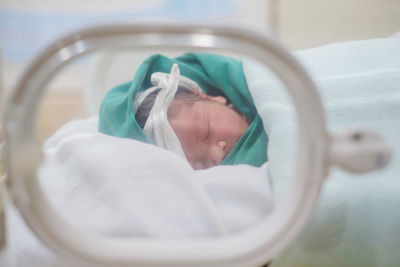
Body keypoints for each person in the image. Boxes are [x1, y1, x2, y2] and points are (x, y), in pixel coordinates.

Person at [99, 52, 268, 169]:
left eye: (207, 132)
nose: (217, 155)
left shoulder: (261, 87)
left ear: (210, 97)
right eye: (198, 164)